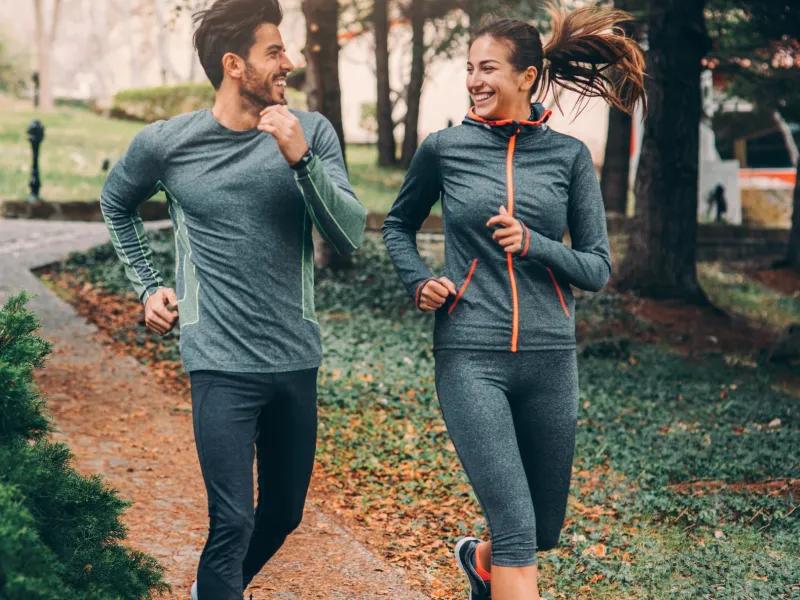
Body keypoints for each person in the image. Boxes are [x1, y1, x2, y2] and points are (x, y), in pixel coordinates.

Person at [99, 0, 366, 597]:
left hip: (294, 357)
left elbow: (349, 234)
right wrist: (148, 285)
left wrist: (301, 159)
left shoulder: (311, 131)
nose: (288, 63)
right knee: (232, 521)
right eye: (274, 52)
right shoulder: (168, 143)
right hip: (218, 362)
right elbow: (116, 203)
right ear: (234, 65)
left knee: (284, 513)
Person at [382, 4, 646, 599]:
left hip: (550, 360)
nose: (474, 80)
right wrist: (418, 281)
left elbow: (598, 268)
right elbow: (397, 225)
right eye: (469, 68)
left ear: (526, 77)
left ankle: (480, 564)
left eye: (488, 68)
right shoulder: (445, 149)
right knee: (517, 531)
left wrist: (535, 243)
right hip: (471, 354)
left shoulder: (569, 157)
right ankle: (498, 558)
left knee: (543, 529)